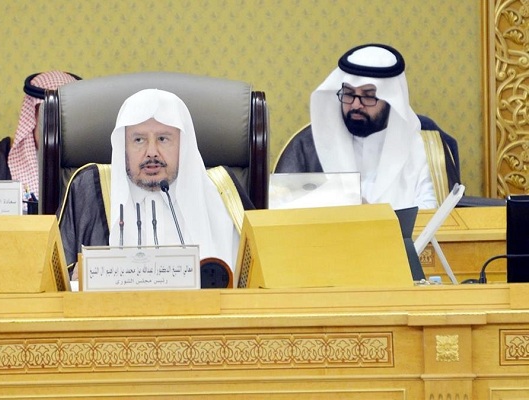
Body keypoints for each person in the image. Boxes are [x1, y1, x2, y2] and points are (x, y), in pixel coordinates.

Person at [57, 89, 253, 277]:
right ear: (123, 146)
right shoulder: (91, 189)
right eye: (139, 140)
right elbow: (56, 280)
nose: (152, 152)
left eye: (163, 139)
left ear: (184, 145)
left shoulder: (221, 191)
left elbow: (256, 280)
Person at [275, 43, 438, 210]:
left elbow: (433, 214)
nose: (356, 105)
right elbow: (279, 210)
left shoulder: (423, 151)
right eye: (349, 94)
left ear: (391, 101)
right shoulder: (309, 147)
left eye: (368, 96)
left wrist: (372, 215)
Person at [7, 71, 81, 210]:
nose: (57, 125)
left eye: (63, 115)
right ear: (32, 116)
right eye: (49, 114)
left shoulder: (94, 161)